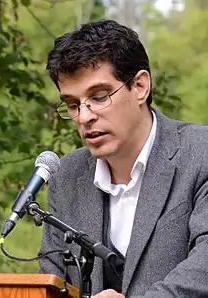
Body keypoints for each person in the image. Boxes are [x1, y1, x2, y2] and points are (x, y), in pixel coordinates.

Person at [39, 19, 208, 297]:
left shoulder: (200, 153)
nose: (84, 116)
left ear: (140, 86)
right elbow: (50, 281)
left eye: (100, 97)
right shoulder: (67, 176)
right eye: (72, 104)